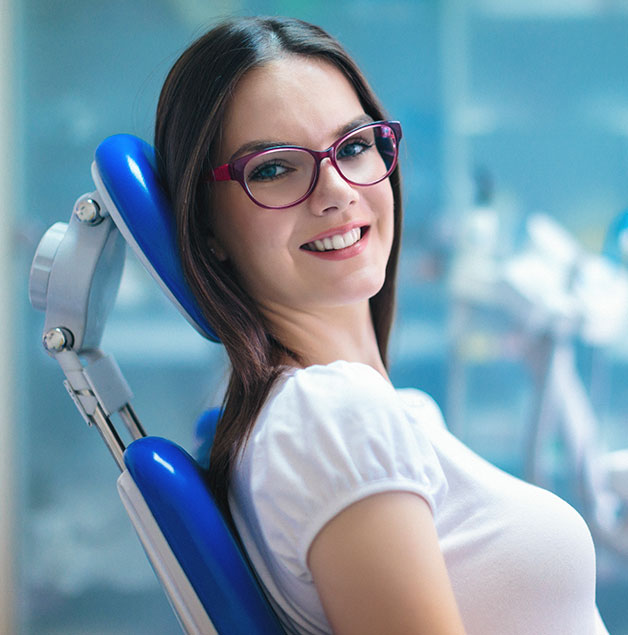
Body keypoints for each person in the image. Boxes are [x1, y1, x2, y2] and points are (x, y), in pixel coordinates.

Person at [154, 16, 608, 634]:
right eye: (272, 168)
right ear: (207, 227)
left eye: (354, 146)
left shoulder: (367, 411)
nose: (337, 191)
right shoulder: (333, 417)